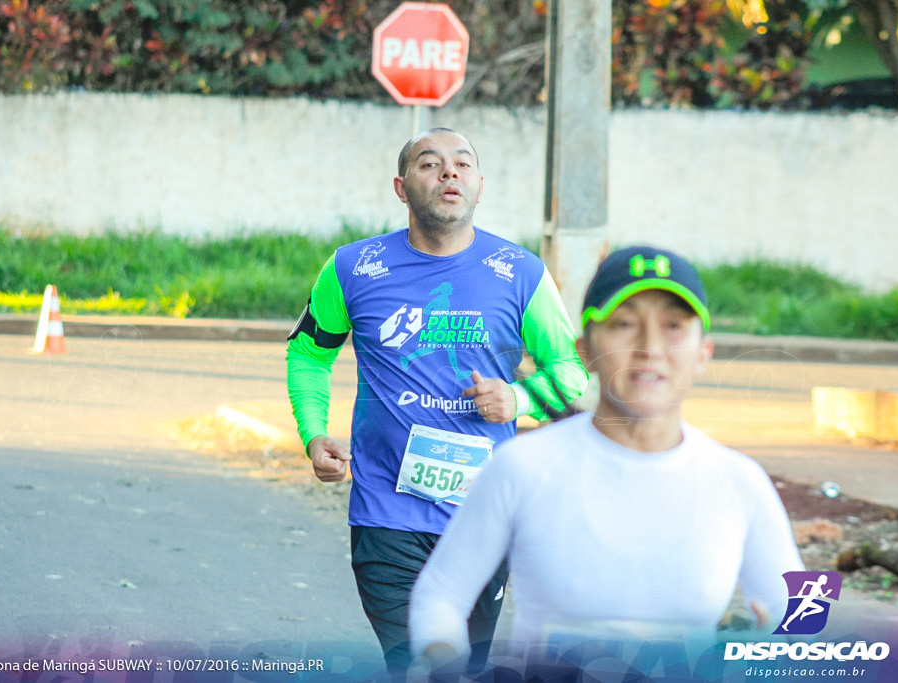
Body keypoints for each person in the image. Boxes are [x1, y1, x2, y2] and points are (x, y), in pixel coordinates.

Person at [408, 245, 805, 670]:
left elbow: (806, 612)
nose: (650, 348)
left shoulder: (739, 481)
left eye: (673, 326)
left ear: (704, 354)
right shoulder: (522, 467)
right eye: (625, 324)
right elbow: (441, 593)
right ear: (585, 351)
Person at [285, 127, 588, 676]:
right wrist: (314, 432)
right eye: (430, 164)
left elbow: (572, 373)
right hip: (386, 512)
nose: (449, 172)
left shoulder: (521, 273)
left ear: (479, 185)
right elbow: (309, 355)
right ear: (401, 188)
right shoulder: (354, 267)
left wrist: (518, 399)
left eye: (462, 163)